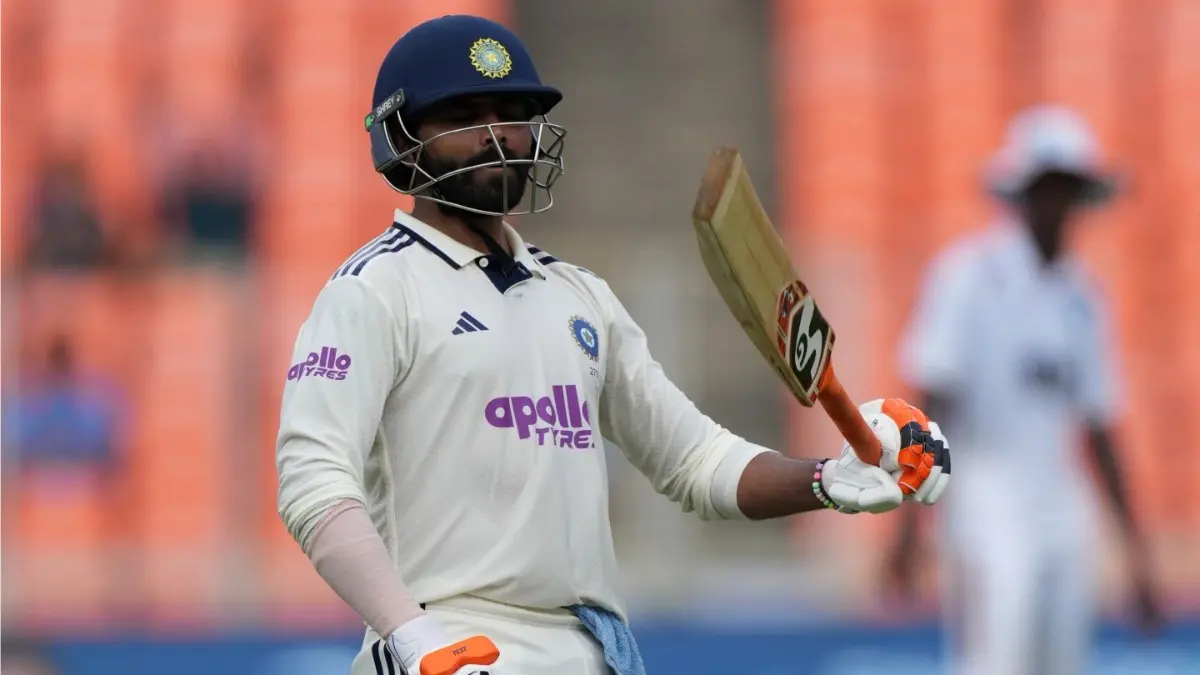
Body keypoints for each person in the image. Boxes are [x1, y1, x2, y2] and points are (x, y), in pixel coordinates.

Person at [274, 14, 951, 675]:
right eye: (463, 117)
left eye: (511, 115)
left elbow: (694, 458)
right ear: (402, 138)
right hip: (449, 642)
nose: (498, 138)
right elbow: (313, 485)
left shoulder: (578, 296)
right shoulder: (373, 290)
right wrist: (413, 635)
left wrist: (827, 478)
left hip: (590, 647)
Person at [888, 105, 1162, 675]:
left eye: (1069, 188)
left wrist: (1136, 554)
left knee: (1062, 663)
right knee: (996, 662)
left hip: (1061, 502)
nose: (1058, 204)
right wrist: (908, 518)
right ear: (1021, 192)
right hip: (985, 497)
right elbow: (929, 400)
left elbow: (1099, 429)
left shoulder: (1082, 297)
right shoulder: (968, 276)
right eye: (1047, 188)